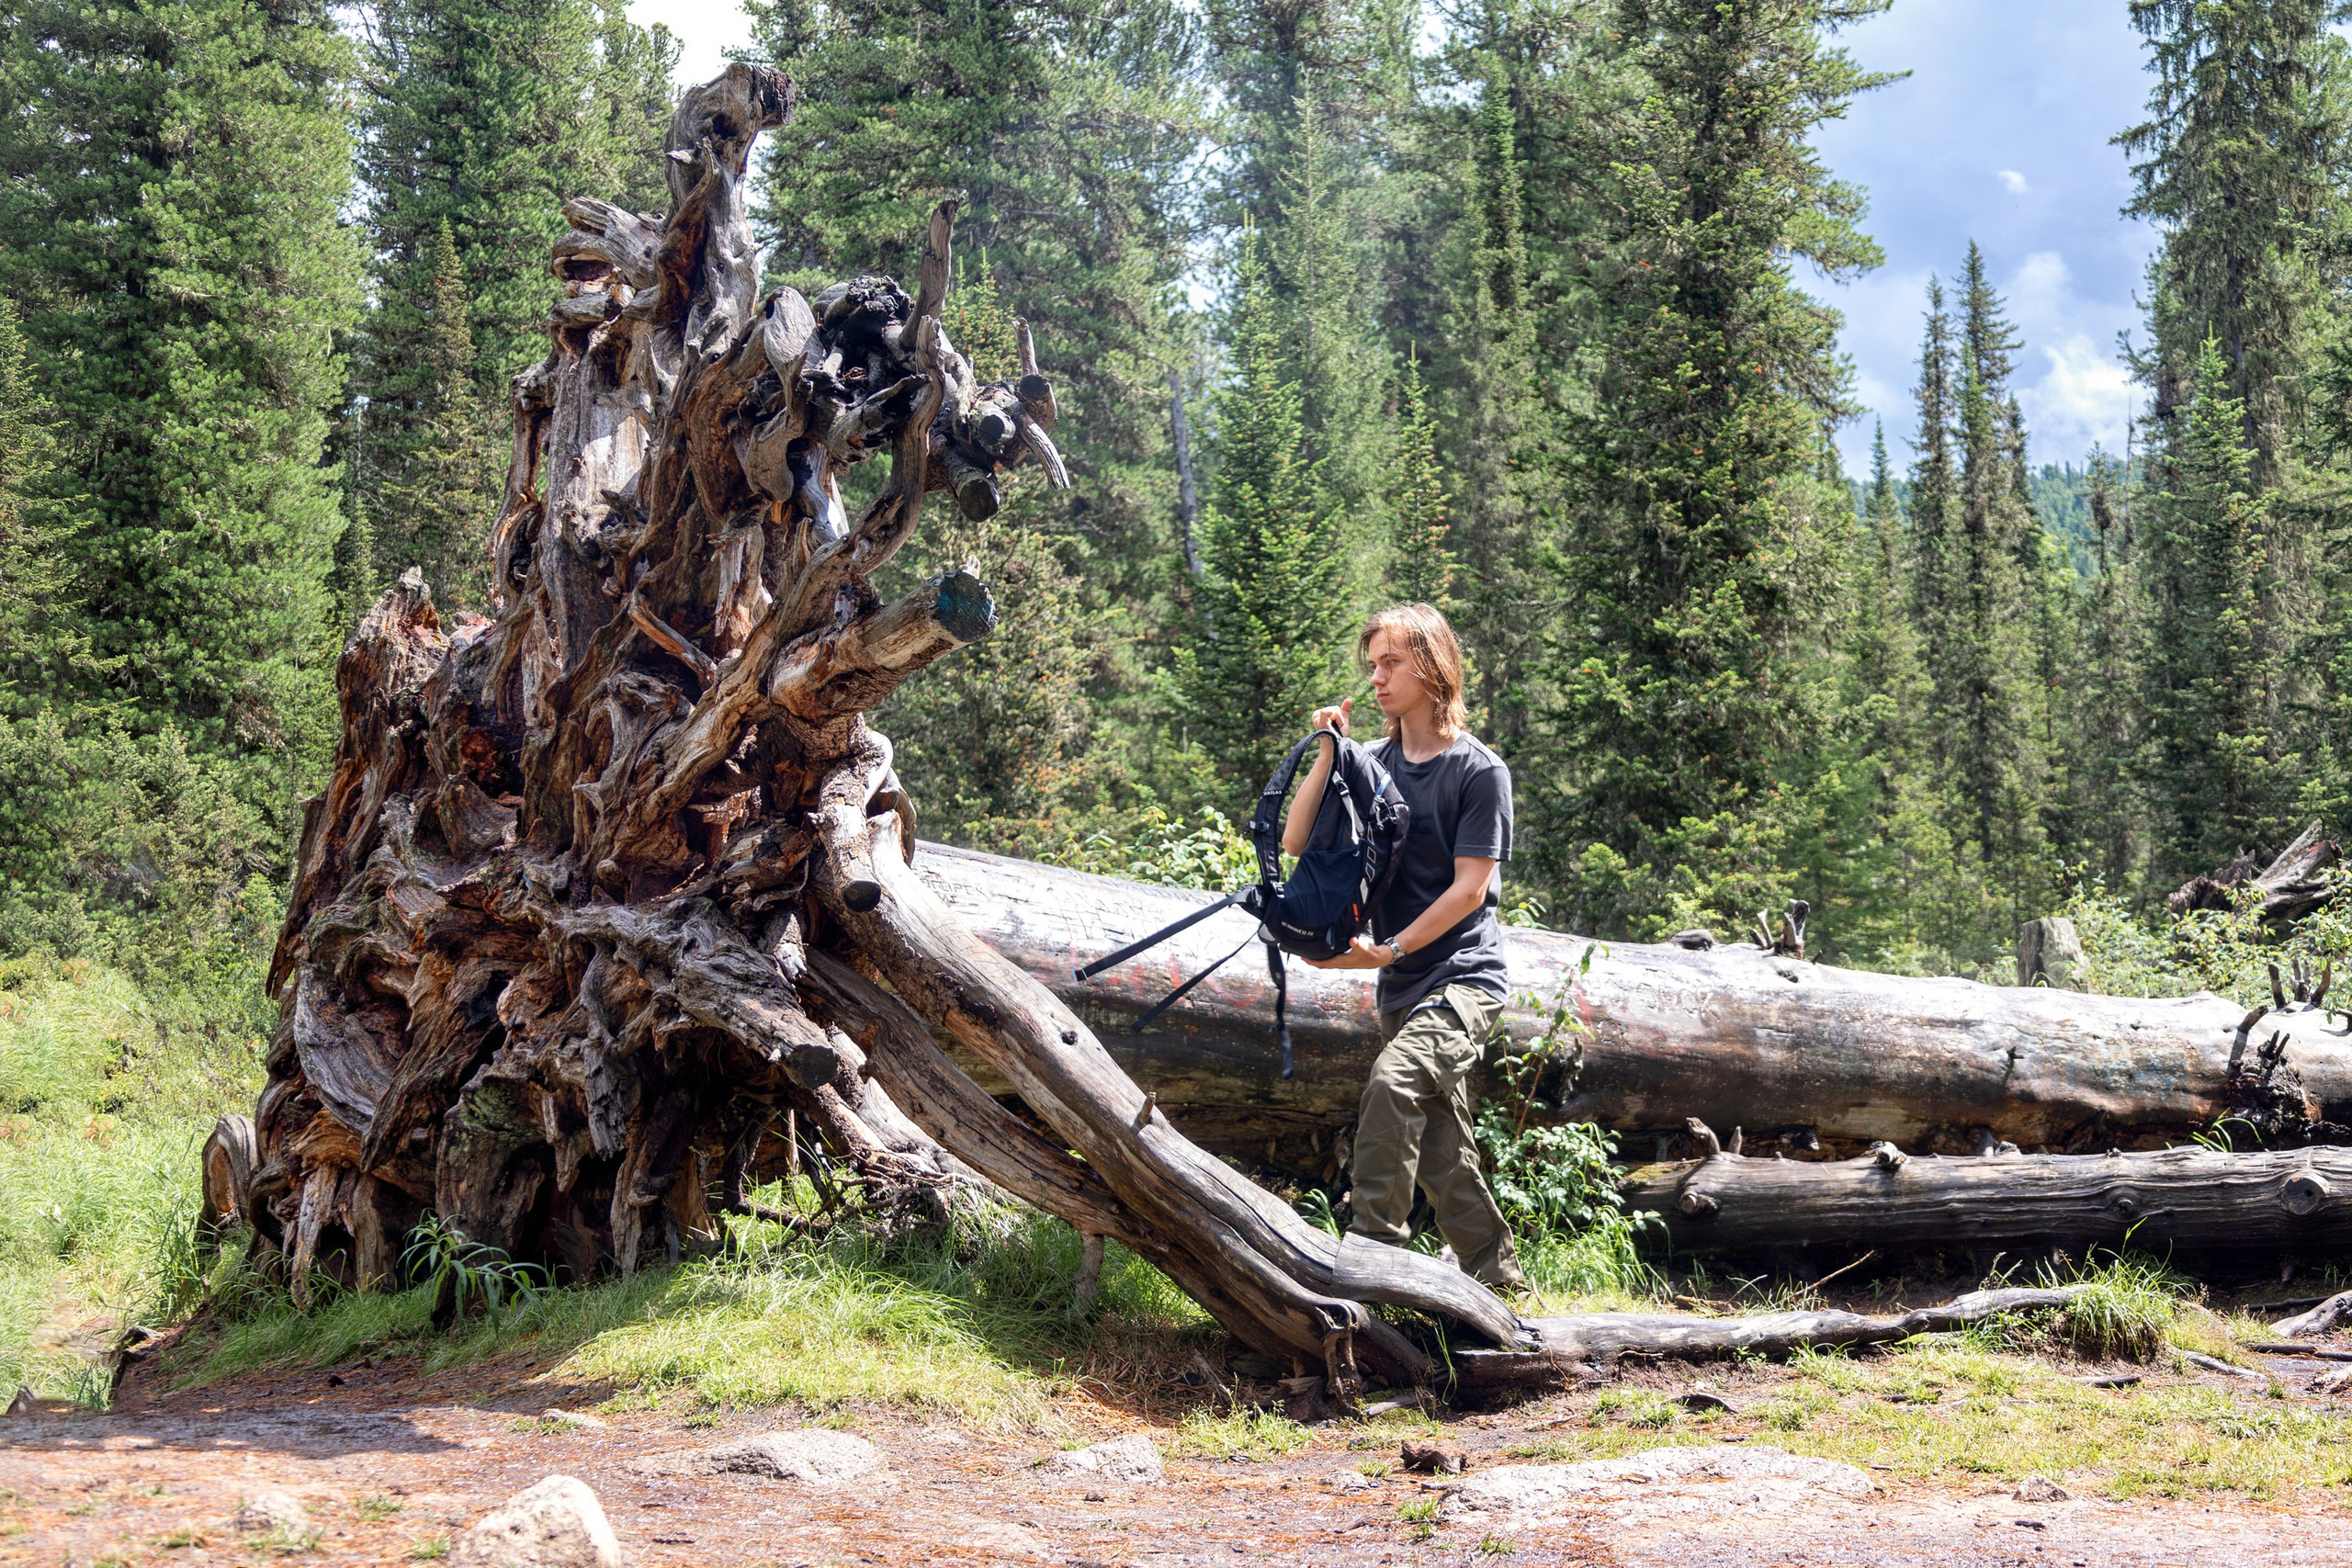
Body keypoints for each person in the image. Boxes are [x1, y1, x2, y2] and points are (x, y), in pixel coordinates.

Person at [1281, 603, 1528, 1292]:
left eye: (1391, 662)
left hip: (1464, 980)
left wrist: (1385, 949)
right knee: (1445, 1155)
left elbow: (1469, 890)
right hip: (1401, 985)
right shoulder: (1373, 764)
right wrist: (1331, 755)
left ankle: (1371, 1261)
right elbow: (1297, 839)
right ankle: (1504, 1287)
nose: (1378, 677)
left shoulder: (1479, 772)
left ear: (1431, 664)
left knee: (1392, 1085)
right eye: (1374, 665)